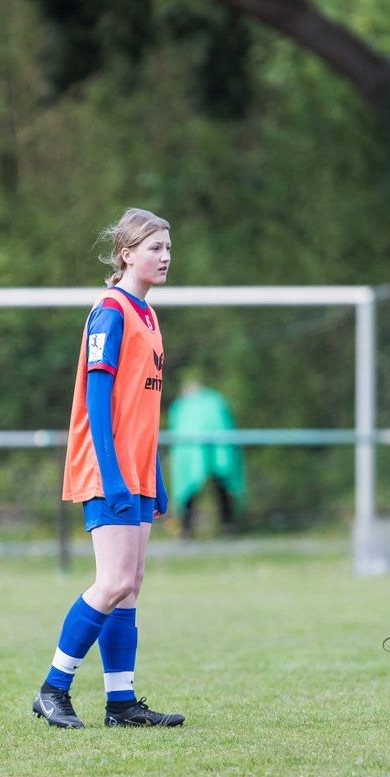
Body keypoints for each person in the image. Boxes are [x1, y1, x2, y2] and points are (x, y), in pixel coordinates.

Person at [32, 208, 184, 729]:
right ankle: (53, 688)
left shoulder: (148, 313)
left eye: (167, 248)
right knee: (113, 579)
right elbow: (98, 402)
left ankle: (121, 703)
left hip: (137, 468)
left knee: (132, 582)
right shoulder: (111, 311)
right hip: (108, 468)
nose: (164, 257)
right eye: (154, 248)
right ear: (127, 254)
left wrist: (155, 473)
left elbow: (141, 407)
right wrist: (115, 474)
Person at [168, 375, 246, 539]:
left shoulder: (183, 405)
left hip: (190, 451)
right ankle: (228, 526)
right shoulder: (216, 401)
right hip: (220, 449)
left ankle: (186, 529)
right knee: (221, 486)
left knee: (190, 488)